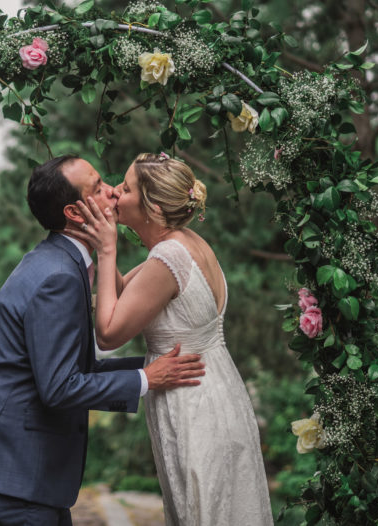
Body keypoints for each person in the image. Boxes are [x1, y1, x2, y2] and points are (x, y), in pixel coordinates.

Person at [0, 154, 206, 526]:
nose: (112, 191)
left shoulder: (60, 264)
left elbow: (76, 370)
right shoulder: (57, 278)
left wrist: (153, 366)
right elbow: (60, 387)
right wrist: (146, 379)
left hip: (27, 476)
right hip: (18, 475)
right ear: (75, 213)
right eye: (98, 187)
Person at [67, 152, 273, 526]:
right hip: (215, 388)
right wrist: (101, 245)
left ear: (154, 208)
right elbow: (123, 293)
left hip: (194, 404)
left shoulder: (168, 258)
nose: (115, 192)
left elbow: (109, 334)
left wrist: (108, 249)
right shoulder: (184, 243)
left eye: (126, 188)